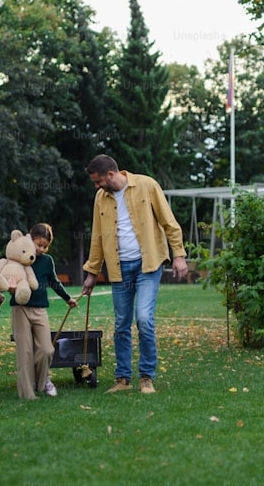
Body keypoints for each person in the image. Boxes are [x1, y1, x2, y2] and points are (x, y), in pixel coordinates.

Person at [80, 154, 188, 394]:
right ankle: (123, 379)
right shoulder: (101, 198)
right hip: (119, 269)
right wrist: (92, 272)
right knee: (121, 324)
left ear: (110, 174)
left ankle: (147, 377)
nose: (96, 186)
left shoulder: (147, 185)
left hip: (148, 265)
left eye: (98, 181)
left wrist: (179, 255)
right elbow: (97, 237)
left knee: (144, 320)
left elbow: (169, 222)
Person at [7, 223, 78, 400]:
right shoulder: (18, 258)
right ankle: (27, 392)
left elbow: (54, 282)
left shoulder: (47, 261)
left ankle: (42, 380)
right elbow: (6, 277)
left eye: (45, 246)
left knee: (46, 349)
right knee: (25, 352)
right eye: (39, 245)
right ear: (30, 239)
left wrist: (67, 298)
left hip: (40, 310)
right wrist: (11, 288)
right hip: (20, 309)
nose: (41, 249)